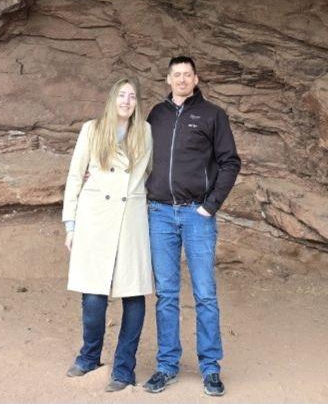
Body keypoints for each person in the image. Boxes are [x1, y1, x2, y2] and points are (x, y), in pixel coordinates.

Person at [143, 56, 241, 398]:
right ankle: (167, 365)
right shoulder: (156, 114)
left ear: (196, 78)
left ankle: (210, 368)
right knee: (166, 294)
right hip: (158, 213)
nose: (182, 79)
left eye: (187, 74)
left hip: (195, 215)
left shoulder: (213, 115)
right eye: (176, 74)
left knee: (204, 294)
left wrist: (209, 206)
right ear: (168, 79)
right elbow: (138, 156)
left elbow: (230, 162)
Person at [62, 77, 153, 392]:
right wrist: (70, 224)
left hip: (130, 219)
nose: (127, 101)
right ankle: (89, 355)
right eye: (122, 95)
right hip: (95, 218)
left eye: (132, 96)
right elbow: (76, 175)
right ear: (112, 98)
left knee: (133, 293)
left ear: (137, 102)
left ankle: (124, 368)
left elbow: (151, 172)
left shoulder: (145, 132)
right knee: (94, 295)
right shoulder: (92, 129)